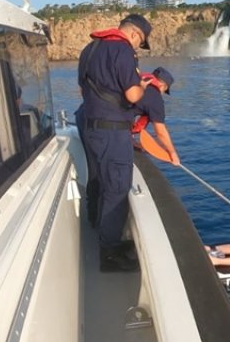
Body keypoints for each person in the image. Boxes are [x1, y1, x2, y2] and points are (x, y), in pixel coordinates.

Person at [76, 14, 152, 272]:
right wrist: (142, 85)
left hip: (91, 127)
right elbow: (132, 94)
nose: (137, 47)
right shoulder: (122, 50)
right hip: (113, 132)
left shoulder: (90, 48)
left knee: (97, 178)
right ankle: (109, 253)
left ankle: (95, 224)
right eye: (140, 42)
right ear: (134, 34)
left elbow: (82, 91)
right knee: (118, 188)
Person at [131, 66, 180, 166]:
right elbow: (160, 131)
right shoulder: (155, 98)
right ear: (162, 85)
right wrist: (173, 153)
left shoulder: (134, 81)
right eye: (164, 91)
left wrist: (130, 139)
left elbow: (127, 109)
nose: (162, 94)